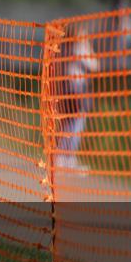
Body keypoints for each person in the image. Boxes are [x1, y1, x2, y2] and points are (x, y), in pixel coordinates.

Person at [54, 23, 98, 172]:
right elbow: (93, 65)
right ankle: (65, 155)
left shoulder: (72, 46)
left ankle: (64, 155)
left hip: (75, 87)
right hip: (74, 88)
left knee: (72, 122)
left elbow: (95, 65)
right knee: (73, 122)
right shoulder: (76, 47)